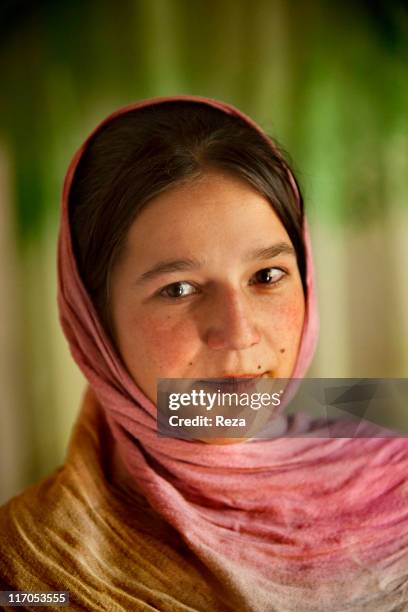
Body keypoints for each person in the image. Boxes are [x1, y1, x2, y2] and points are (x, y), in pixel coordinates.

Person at [0, 95, 407, 611]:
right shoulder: (28, 563)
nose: (238, 333)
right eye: (179, 289)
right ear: (93, 320)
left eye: (266, 277)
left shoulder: (379, 423)